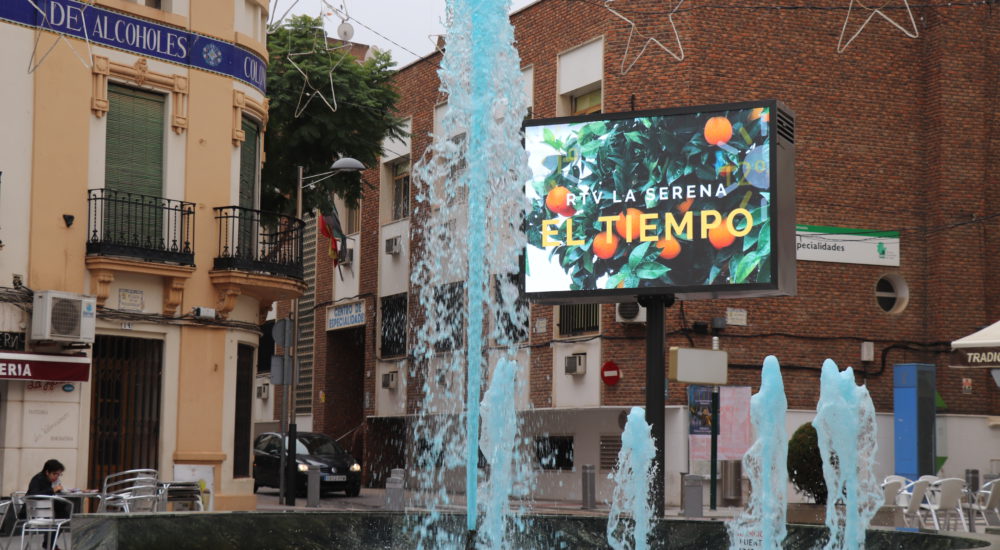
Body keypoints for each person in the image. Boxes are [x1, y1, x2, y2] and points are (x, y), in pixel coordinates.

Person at [24, 459, 70, 550]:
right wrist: (52, 490)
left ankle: (49, 544)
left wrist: (60, 491)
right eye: (54, 474)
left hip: (48, 510)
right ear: (47, 472)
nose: (56, 477)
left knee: (64, 514)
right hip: (33, 512)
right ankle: (50, 544)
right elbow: (33, 495)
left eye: (59, 474)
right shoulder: (38, 479)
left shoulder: (54, 481)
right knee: (60, 516)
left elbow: (55, 495)